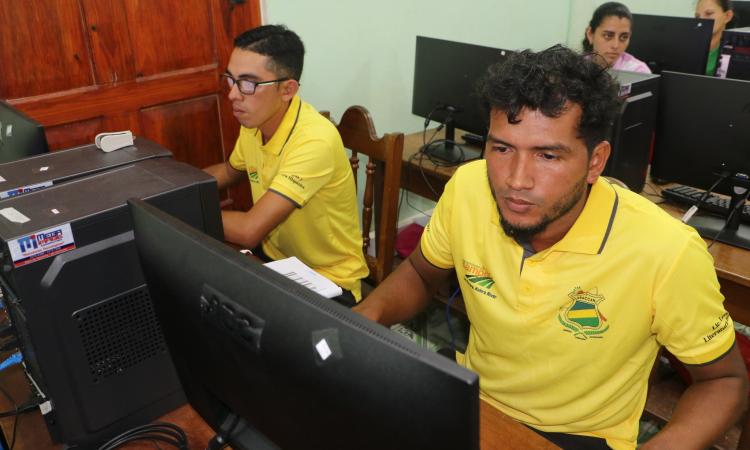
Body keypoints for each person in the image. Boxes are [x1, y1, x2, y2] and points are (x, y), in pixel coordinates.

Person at [353, 45, 747, 450]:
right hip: (473, 403)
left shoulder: (666, 251)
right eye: (502, 148)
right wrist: (360, 321)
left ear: (596, 161)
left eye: (547, 155)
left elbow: (724, 380)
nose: (516, 180)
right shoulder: (469, 187)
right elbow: (421, 272)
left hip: (578, 436)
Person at [203, 25, 368, 305]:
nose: (233, 95)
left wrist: (180, 210)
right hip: (276, 262)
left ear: (287, 89)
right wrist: (176, 189)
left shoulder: (315, 140)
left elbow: (248, 230)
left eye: (248, 84)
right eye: (230, 79)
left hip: (328, 281)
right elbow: (230, 171)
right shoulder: (255, 121)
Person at [582, 2, 651, 74]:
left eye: (624, 37)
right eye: (608, 36)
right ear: (590, 34)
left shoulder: (639, 72)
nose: (616, 45)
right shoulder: (576, 66)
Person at [695, 0, 735, 75]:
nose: (701, 20)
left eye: (709, 13)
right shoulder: (689, 47)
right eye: (697, 16)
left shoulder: (734, 52)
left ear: (727, 16)